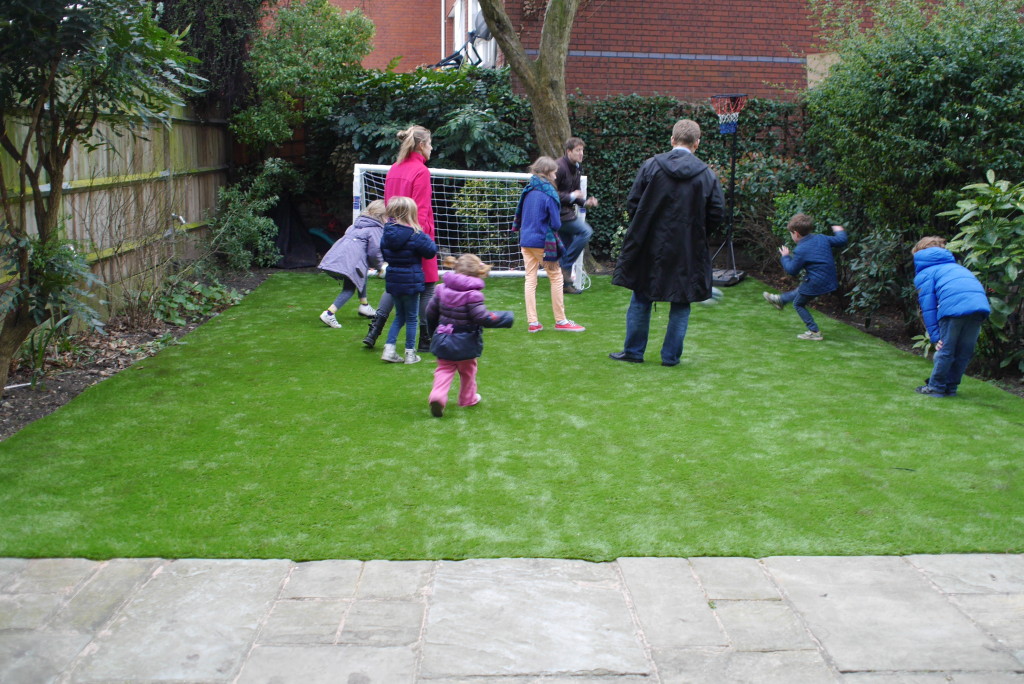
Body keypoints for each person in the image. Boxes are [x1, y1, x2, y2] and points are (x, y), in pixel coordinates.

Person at [609, 119, 724, 366]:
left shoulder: (651, 166)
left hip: (649, 244)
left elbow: (634, 203)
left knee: (641, 296)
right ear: (697, 143)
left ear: (673, 140)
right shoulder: (706, 175)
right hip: (688, 247)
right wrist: (696, 233)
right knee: (681, 301)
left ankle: (634, 352)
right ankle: (670, 357)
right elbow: (717, 214)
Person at [364, 125, 439, 352]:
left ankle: (375, 330)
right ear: (421, 145)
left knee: (396, 283)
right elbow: (422, 211)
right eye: (430, 143)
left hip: (393, 232)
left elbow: (388, 205)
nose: (432, 147)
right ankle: (425, 340)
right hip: (415, 235)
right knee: (427, 286)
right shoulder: (421, 172)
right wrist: (424, 243)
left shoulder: (394, 168)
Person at [425, 254, 514, 417]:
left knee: (444, 368)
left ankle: (437, 396)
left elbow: (430, 313)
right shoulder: (473, 295)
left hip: (444, 338)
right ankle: (467, 398)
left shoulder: (440, 289)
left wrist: (434, 334)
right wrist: (505, 317)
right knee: (468, 370)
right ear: (476, 273)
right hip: (465, 341)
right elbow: (481, 317)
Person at [911, 236, 991, 397]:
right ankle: (950, 387)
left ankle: (936, 387)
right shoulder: (957, 267)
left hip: (953, 308)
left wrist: (935, 337)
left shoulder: (926, 272)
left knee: (945, 348)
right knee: (964, 351)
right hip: (978, 306)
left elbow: (929, 307)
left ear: (918, 253)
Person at [513, 156, 585, 334]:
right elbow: (556, 223)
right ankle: (561, 320)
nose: (555, 175)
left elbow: (522, 215)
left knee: (530, 279)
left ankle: (533, 322)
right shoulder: (549, 194)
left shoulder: (528, 190)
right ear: (547, 173)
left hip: (525, 240)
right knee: (556, 276)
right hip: (542, 242)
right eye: (553, 172)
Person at [762, 213, 848, 340]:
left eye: (791, 234)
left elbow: (792, 270)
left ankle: (814, 332)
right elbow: (841, 240)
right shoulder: (821, 238)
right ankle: (780, 300)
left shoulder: (801, 249)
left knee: (798, 303)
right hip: (830, 280)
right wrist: (839, 230)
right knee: (802, 290)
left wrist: (785, 256)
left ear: (796, 233)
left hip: (816, 282)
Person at [380, 196, 438, 364]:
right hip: (411, 281)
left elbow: (384, 254)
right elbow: (431, 251)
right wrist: (423, 234)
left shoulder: (386, 234)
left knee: (400, 316)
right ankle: (410, 353)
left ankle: (389, 348)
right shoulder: (415, 234)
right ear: (410, 213)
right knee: (412, 317)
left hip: (394, 279)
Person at [316, 200, 386, 329]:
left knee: (360, 275)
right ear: (381, 216)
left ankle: (364, 305)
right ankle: (329, 313)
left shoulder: (356, 224)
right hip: (352, 263)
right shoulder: (375, 229)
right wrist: (380, 266)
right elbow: (375, 250)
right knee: (349, 289)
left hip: (338, 258)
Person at [554, 137, 599, 294]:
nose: (581, 154)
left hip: (567, 213)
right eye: (578, 150)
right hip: (556, 214)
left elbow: (576, 194)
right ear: (568, 152)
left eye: (582, 150)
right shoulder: (558, 167)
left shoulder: (577, 168)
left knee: (566, 246)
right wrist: (572, 196)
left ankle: (565, 286)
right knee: (586, 231)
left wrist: (586, 202)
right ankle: (565, 267)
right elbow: (551, 193)